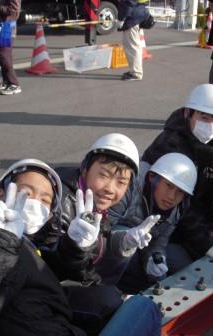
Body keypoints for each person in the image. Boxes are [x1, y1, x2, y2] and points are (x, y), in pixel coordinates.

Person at [0, 159, 161, 335]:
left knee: (110, 298)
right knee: (145, 308)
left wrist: (75, 246)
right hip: (43, 321)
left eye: (44, 200)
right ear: (2, 195)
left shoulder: (26, 241)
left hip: (51, 312)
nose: (34, 203)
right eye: (26, 192)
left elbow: (49, 267)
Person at [43, 133, 161, 334]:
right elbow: (46, 266)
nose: (110, 189)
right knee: (110, 301)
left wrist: (124, 242)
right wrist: (73, 246)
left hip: (67, 276)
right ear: (85, 168)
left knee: (122, 247)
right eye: (104, 175)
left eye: (121, 182)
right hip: (42, 292)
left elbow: (99, 243)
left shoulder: (94, 201)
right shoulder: (58, 201)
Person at [142, 83, 213, 269]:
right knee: (186, 262)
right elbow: (178, 204)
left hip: (190, 208)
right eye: (204, 117)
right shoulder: (171, 146)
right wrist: (205, 243)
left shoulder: (210, 143)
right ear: (188, 113)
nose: (210, 126)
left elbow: (208, 194)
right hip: (158, 218)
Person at [110, 152, 213, 293]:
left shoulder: (176, 209)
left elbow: (159, 242)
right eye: (168, 186)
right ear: (152, 178)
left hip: (144, 245)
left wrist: (154, 259)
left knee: (178, 264)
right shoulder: (128, 187)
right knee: (128, 251)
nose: (172, 197)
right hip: (114, 245)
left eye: (180, 191)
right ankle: (116, 289)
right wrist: (124, 239)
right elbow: (105, 227)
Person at [118, 0, 150, 81]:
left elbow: (129, 4)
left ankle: (136, 73)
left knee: (132, 47)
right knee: (134, 46)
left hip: (132, 20)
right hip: (138, 16)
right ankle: (134, 71)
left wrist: (121, 20)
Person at [0, 0, 21, 95]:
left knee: (4, 56)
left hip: (7, 27)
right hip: (3, 26)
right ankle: (6, 81)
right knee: (1, 56)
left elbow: (14, 11)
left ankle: (14, 84)